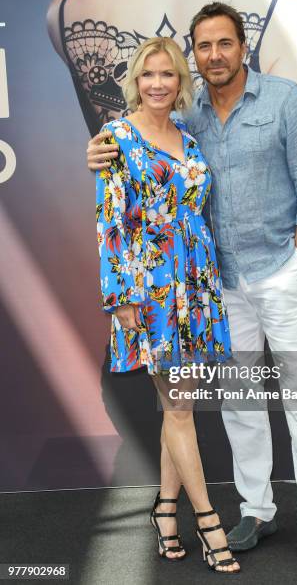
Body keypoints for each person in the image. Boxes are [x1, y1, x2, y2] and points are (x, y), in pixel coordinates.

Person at [48, 0, 297, 425]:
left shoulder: (65, 7)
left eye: (224, 45)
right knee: (224, 410)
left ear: (240, 46)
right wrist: (113, 144)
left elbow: (274, 177)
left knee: (249, 407)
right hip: (177, 266)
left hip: (214, 262)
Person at [89, 3, 297, 566]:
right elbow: (134, 165)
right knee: (239, 404)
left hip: (280, 273)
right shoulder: (188, 113)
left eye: (224, 44)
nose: (214, 56)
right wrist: (99, 152)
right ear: (194, 56)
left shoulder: (285, 101)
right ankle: (255, 510)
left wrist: (296, 266)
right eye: (203, 47)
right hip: (215, 289)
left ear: (242, 46)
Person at [97, 35, 240, 574]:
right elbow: (110, 223)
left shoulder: (186, 135)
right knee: (181, 407)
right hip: (149, 292)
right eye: (148, 75)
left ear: (181, 82)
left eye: (169, 75)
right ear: (135, 80)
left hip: (196, 286)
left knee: (176, 407)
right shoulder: (116, 137)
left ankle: (164, 509)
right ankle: (209, 522)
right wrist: (121, 300)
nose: (158, 84)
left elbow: (195, 210)